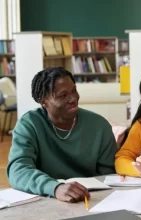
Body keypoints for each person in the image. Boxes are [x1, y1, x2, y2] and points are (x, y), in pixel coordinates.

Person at [7, 67, 117, 202]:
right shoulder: (29, 125)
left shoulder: (99, 126)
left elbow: (109, 176)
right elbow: (18, 171)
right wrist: (55, 187)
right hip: (46, 199)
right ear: (44, 101)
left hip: (89, 199)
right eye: (63, 95)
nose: (73, 98)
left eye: (74, 90)